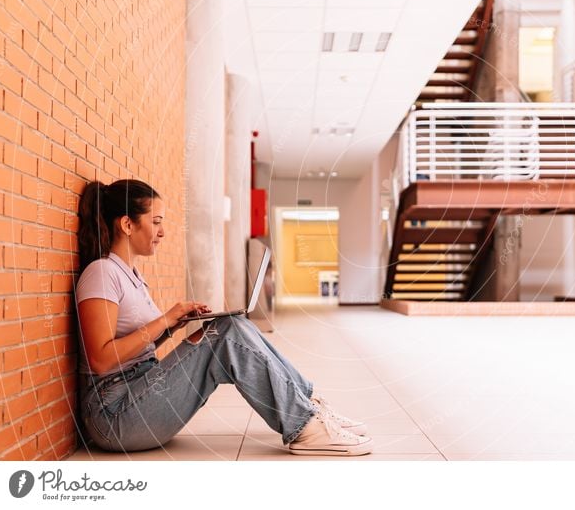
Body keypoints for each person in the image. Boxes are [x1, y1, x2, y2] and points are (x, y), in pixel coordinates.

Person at [75, 179, 373, 456]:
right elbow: (100, 359)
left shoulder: (132, 276)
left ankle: (308, 408)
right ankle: (305, 427)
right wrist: (165, 320)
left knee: (232, 324)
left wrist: (173, 326)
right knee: (226, 335)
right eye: (156, 222)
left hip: (140, 390)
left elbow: (137, 343)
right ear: (127, 224)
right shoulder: (101, 273)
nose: (163, 232)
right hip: (113, 415)